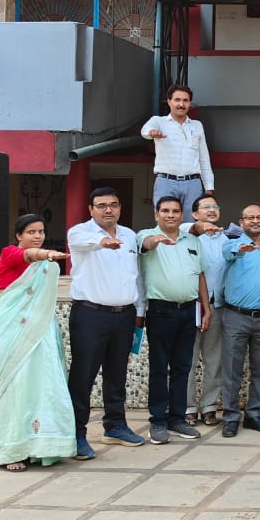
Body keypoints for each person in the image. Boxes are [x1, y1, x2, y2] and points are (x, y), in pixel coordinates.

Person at [0, 214, 76, 471]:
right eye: (31, 232)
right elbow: (28, 256)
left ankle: (43, 447)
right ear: (19, 235)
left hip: (42, 330)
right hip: (14, 329)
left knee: (44, 384)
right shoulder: (10, 254)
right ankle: (11, 450)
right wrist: (46, 254)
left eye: (41, 231)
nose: (37, 236)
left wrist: (47, 257)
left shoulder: (46, 263)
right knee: (17, 386)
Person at [67, 187, 146, 460]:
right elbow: (88, 243)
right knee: (83, 376)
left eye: (113, 204)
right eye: (101, 205)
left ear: (120, 207)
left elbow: (136, 276)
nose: (108, 210)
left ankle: (115, 426)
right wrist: (103, 242)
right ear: (91, 209)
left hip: (124, 314)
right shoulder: (79, 232)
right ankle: (76, 433)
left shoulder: (130, 235)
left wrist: (139, 311)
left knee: (117, 374)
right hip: (90, 315)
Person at [138, 196, 210, 445]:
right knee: (159, 367)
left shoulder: (192, 240)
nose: (171, 215)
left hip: (188, 311)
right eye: (165, 211)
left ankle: (177, 418)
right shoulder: (147, 235)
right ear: (156, 214)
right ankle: (158, 420)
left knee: (183, 367)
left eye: (176, 211)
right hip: (161, 311)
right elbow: (145, 244)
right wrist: (155, 241)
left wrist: (206, 307)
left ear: (182, 215)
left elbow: (200, 275)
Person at [218, 205, 260, 438]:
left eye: (259, 217)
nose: (255, 221)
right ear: (241, 221)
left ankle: (254, 414)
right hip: (236, 317)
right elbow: (229, 253)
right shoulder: (232, 244)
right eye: (250, 218)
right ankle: (230, 417)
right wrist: (241, 248)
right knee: (232, 369)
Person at [183, 195, 232, 426]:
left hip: (218, 306)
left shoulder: (227, 240)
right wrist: (199, 227)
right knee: (188, 360)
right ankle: (188, 407)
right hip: (191, 306)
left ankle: (209, 406)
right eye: (206, 207)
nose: (212, 210)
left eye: (215, 206)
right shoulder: (186, 235)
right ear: (195, 213)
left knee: (214, 360)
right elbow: (190, 228)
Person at [141, 83, 214, 216]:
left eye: (185, 100)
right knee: (165, 221)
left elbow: (204, 158)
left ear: (189, 103)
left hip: (193, 183)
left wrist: (209, 187)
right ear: (169, 101)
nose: (181, 104)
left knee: (191, 223)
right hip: (166, 181)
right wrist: (152, 133)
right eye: (177, 100)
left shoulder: (197, 125)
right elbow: (145, 131)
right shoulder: (159, 121)